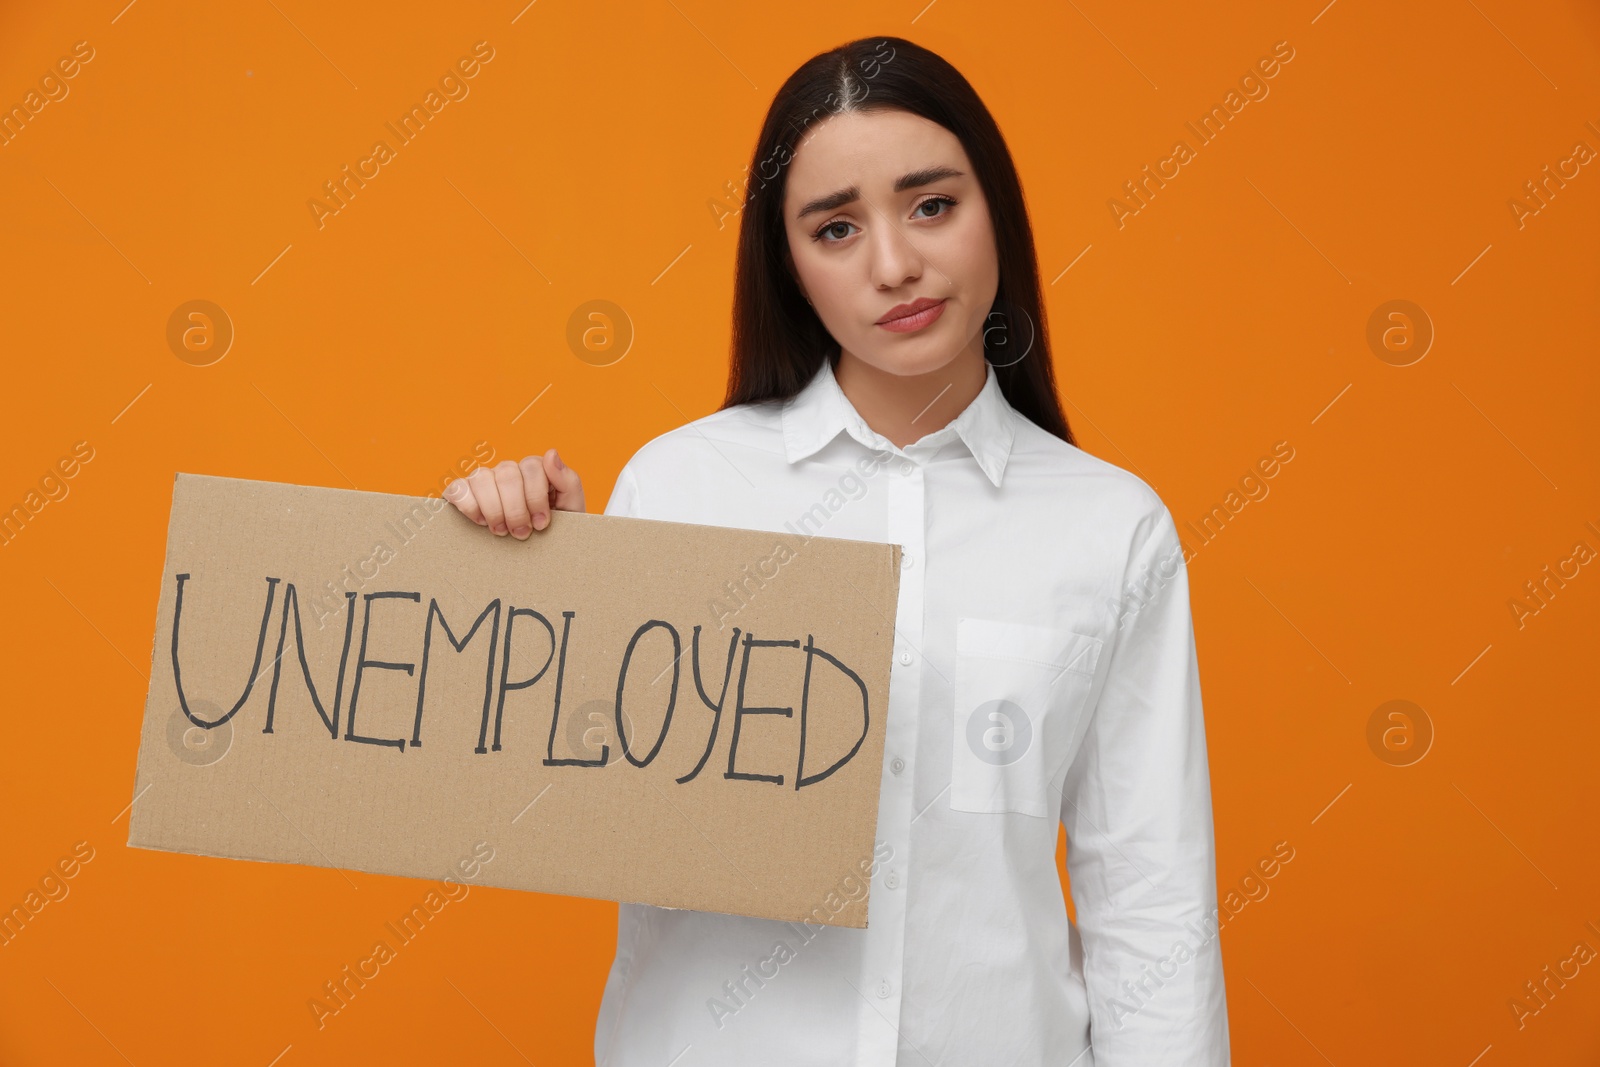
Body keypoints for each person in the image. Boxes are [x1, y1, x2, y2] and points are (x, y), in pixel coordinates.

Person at [444, 34, 1229, 1067]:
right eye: (835, 227)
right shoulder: (681, 488)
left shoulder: (1111, 527)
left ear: (998, 209)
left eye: (932, 205)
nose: (894, 263)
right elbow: (583, 809)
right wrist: (531, 582)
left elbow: (1150, 897)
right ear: (788, 263)